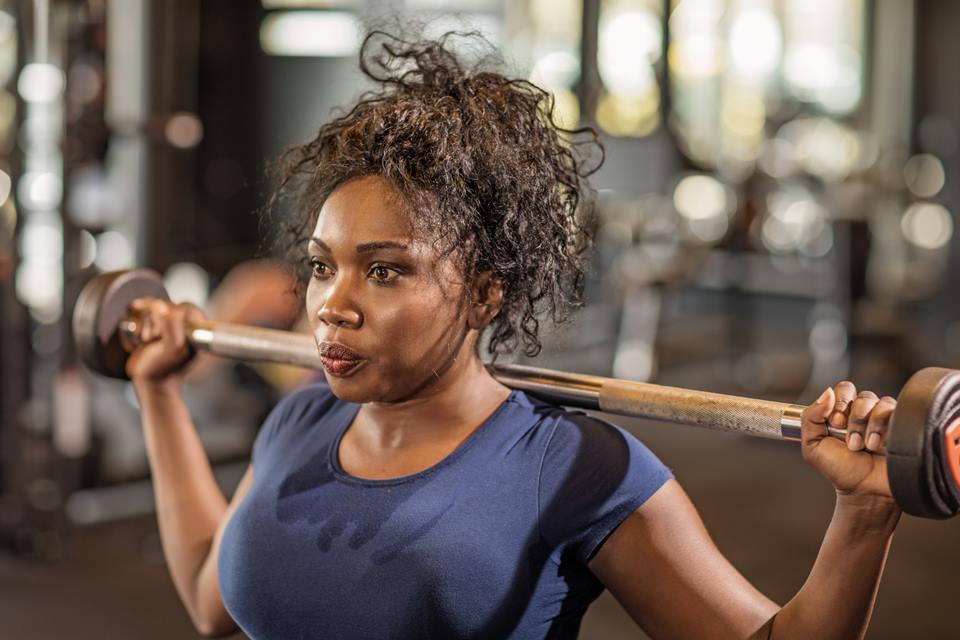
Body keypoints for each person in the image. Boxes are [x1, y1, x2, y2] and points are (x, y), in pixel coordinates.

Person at [125, 32, 901, 639]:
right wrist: (157, 391)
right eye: (323, 267)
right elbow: (208, 598)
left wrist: (864, 517)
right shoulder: (301, 420)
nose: (333, 304)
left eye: (387, 271)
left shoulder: (577, 469)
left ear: (487, 292)